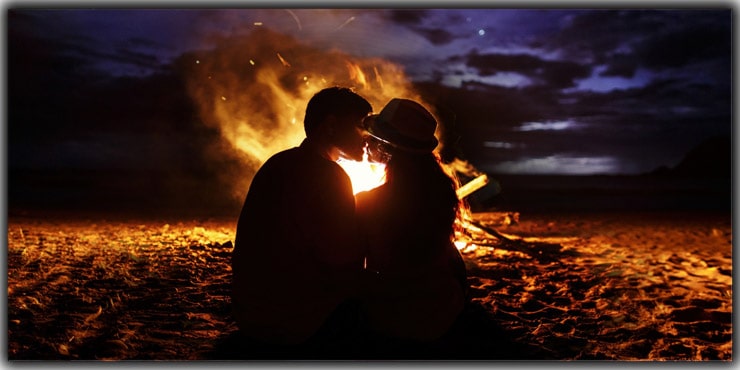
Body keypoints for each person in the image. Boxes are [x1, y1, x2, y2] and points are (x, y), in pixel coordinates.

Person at [231, 87, 372, 351]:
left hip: (249, 313)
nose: (368, 137)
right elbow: (340, 260)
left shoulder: (277, 163)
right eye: (362, 126)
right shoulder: (329, 176)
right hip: (295, 321)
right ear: (330, 126)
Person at [356, 98, 468, 345]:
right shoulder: (441, 193)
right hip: (444, 308)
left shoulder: (367, 202)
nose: (367, 143)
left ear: (388, 148)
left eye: (375, 138)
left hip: (396, 316)